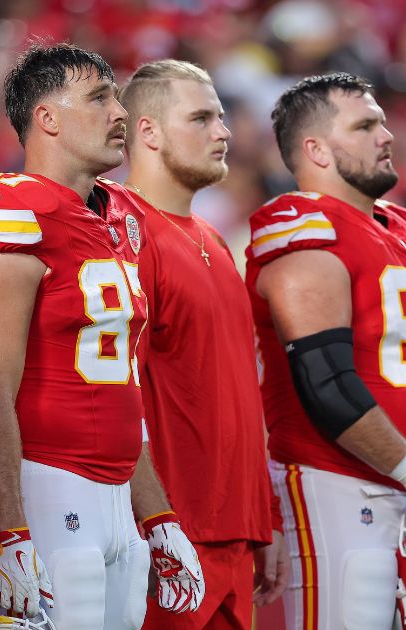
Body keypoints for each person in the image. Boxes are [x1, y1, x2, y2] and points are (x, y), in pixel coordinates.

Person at [0, 43, 202, 630]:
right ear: (48, 118)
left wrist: (158, 515)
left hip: (116, 496)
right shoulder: (12, 212)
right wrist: (12, 530)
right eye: (99, 97)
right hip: (46, 485)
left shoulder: (115, 220)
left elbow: (118, 387)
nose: (120, 112)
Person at [244, 72, 406, 630]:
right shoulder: (301, 227)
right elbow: (325, 381)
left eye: (382, 120)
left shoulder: (401, 227)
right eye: (364, 125)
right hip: (336, 485)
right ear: (316, 150)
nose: (386, 135)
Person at [115, 59, 290, 629]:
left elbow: (239, 391)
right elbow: (120, 397)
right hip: (172, 535)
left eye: (221, 117)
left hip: (234, 536)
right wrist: (154, 523)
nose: (224, 132)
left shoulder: (213, 237)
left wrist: (264, 519)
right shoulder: (126, 235)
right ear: (148, 131)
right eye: (202, 118)